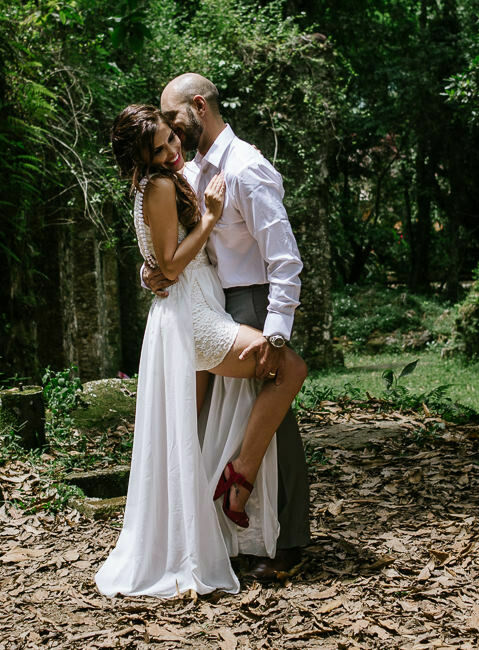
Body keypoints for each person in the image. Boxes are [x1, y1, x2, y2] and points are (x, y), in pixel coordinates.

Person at [95, 104, 307, 598]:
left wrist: (155, 267)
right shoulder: (165, 184)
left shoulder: (162, 181)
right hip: (196, 317)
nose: (173, 151)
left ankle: (183, 537)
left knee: (184, 434)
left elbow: (158, 256)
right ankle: (241, 474)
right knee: (288, 368)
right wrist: (209, 219)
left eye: (172, 139)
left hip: (193, 310)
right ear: (141, 158)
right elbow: (167, 264)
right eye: (161, 148)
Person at [146, 73, 311, 579]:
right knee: (231, 421)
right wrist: (153, 268)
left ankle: (289, 540)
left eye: (173, 120)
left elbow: (284, 260)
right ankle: (239, 537)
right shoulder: (193, 170)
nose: (170, 134)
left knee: (276, 427)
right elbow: (176, 241)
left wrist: (277, 331)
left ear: (199, 106)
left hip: (256, 303)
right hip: (214, 305)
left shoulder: (246, 168)